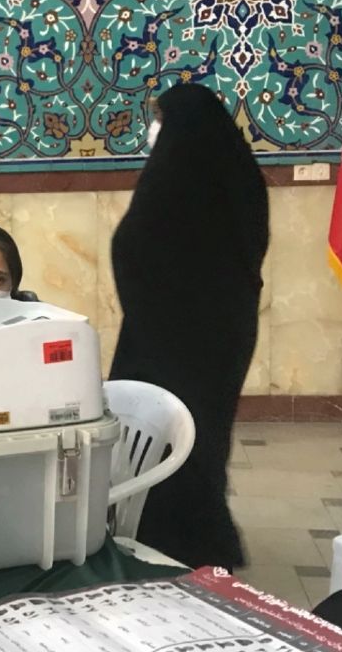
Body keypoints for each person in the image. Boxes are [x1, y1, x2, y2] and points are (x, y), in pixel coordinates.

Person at [108, 83, 269, 571]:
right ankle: (200, 539)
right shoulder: (237, 173)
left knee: (170, 439)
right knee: (203, 435)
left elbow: (137, 249)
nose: (153, 129)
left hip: (167, 341)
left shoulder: (172, 181)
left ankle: (182, 542)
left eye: (160, 119)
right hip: (223, 332)